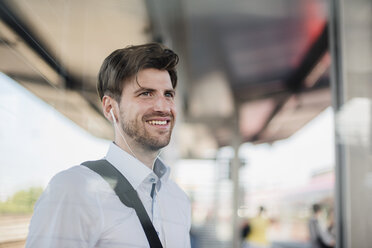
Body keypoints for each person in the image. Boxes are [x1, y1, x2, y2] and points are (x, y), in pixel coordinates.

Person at [25, 43, 191, 248]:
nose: (162, 106)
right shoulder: (73, 190)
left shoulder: (177, 199)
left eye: (168, 94)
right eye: (146, 93)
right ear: (110, 107)